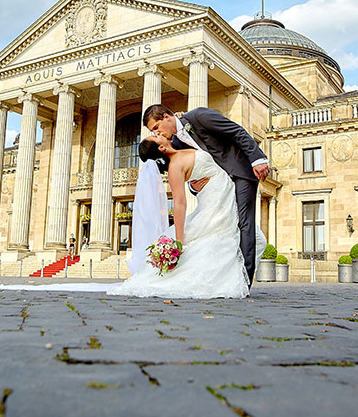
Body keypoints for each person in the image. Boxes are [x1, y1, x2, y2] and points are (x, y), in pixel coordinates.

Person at [107, 134, 264, 299]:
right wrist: (179, 240)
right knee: (233, 241)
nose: (158, 134)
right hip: (217, 202)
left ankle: (232, 278)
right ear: (161, 148)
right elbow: (180, 203)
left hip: (223, 194)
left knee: (254, 239)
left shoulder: (180, 148)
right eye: (155, 136)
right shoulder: (174, 167)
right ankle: (225, 281)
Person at [142, 103, 269, 286]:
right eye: (153, 132)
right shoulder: (175, 143)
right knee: (231, 228)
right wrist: (195, 186)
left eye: (156, 128)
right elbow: (196, 172)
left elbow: (236, 131)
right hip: (219, 189)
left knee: (245, 224)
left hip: (241, 172)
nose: (156, 134)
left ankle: (244, 281)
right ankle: (234, 279)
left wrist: (257, 159)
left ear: (166, 117)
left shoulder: (199, 116)